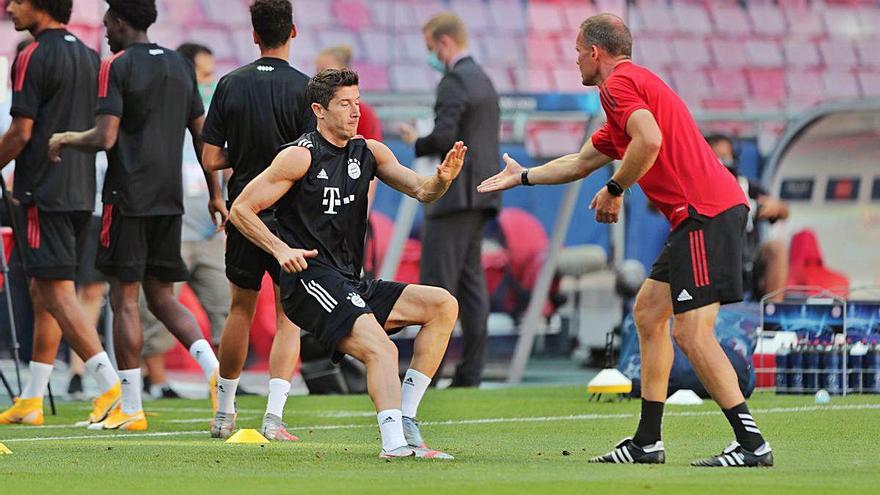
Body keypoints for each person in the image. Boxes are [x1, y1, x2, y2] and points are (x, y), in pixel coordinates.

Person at [478, 14, 773, 468]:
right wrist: (524, 177)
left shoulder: (618, 86)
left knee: (691, 333)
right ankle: (647, 441)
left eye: (578, 52)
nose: (575, 60)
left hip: (704, 214)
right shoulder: (629, 91)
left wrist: (616, 190)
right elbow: (579, 161)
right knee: (649, 313)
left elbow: (649, 140)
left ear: (595, 53)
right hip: (700, 215)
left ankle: (752, 443)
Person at [230, 68, 461, 459]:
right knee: (383, 351)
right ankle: (395, 445)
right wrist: (280, 249)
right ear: (319, 109)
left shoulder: (369, 152)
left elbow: (422, 190)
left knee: (442, 304)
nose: (355, 111)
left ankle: (406, 421)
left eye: (357, 102)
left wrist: (443, 180)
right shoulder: (298, 156)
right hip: (310, 281)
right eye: (344, 104)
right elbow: (241, 209)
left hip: (349, 282)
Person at [47, 0, 223, 431]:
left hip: (127, 198)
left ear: (121, 22)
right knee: (163, 296)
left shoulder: (117, 64)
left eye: (107, 21)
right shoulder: (182, 66)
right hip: (170, 199)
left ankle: (130, 409)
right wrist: (217, 194)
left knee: (124, 299)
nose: (104, 29)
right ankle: (215, 369)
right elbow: (205, 141)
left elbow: (105, 136)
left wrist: (65, 138)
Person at [0, 0, 121, 427]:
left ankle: (112, 387)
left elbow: (21, 131)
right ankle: (32, 399)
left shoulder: (30, 54)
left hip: (43, 188)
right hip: (81, 187)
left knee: (54, 291)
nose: (9, 8)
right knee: (42, 291)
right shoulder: (90, 56)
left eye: (17, 1)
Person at [201, 0, 314, 441]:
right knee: (289, 317)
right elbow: (312, 156)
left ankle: (224, 414)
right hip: (292, 216)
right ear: (294, 32)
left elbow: (211, 156)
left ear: (253, 34)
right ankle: (274, 417)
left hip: (244, 211)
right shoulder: (308, 90)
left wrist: (244, 156)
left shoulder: (229, 84)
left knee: (240, 310)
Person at [398, 13, 500, 387]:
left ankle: (428, 371)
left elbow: (444, 137)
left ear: (443, 42)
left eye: (430, 48)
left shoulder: (455, 80)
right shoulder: (483, 79)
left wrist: (415, 141)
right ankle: (469, 372)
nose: (431, 56)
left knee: (436, 287)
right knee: (471, 286)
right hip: (480, 193)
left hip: (454, 194)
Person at [137, 42, 228, 400]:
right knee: (156, 309)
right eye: (204, 73)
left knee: (225, 305)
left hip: (207, 232)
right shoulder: (167, 110)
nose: (210, 80)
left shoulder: (214, 115)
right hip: (172, 229)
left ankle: (223, 380)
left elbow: (219, 160)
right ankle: (157, 382)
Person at [706, 134, 789, 302]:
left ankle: (772, 311)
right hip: (711, 261)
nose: (721, 162)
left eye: (724, 156)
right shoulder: (697, 186)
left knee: (776, 248)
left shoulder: (747, 186)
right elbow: (654, 205)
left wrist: (775, 206)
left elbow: (783, 210)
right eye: (715, 157)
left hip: (747, 262)